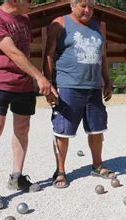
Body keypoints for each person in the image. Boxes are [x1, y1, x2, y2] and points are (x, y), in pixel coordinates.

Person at [0, 0, 58, 210]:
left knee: (22, 130)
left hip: (23, 84)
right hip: (0, 82)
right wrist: (40, 78)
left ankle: (16, 177)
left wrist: (35, 78)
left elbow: (25, 52)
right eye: (29, 0)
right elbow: (13, 53)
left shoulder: (24, 18)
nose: (32, 3)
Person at [43, 0, 114, 188]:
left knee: (97, 129)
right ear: (72, 5)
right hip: (67, 86)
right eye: (83, 5)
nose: (87, 10)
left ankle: (97, 165)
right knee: (63, 130)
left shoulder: (98, 27)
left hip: (93, 87)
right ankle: (60, 171)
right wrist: (48, 83)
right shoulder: (60, 23)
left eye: (91, 6)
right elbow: (48, 54)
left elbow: (103, 56)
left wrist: (107, 80)